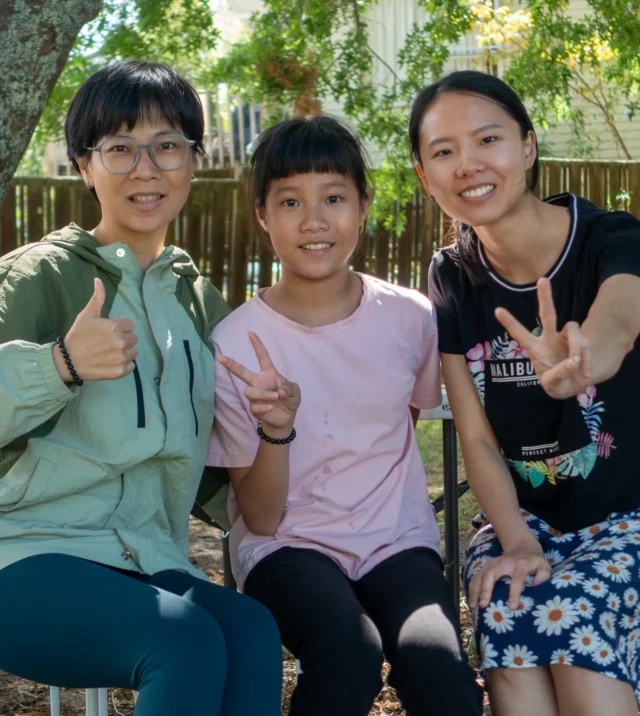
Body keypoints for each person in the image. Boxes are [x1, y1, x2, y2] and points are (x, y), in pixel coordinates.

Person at [0, 60, 281, 716]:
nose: (146, 169)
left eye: (167, 147)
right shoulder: (34, 278)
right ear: (83, 166)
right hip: (25, 552)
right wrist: (61, 363)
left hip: (148, 556)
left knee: (250, 631)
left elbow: (222, 473)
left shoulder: (198, 301)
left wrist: (275, 422)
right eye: (120, 148)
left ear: (194, 161)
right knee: (183, 641)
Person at [207, 115, 483, 716]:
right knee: (347, 650)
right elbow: (260, 515)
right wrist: (277, 429)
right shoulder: (235, 343)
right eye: (290, 201)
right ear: (262, 215)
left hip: (396, 541)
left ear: (362, 206)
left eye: (333, 197)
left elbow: (399, 421)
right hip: (288, 547)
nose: (314, 220)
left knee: (442, 675)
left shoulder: (411, 318)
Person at [410, 69, 640, 716]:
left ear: (529, 146)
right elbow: (477, 436)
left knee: (572, 627)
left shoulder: (609, 238)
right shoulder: (452, 276)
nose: (469, 165)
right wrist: (513, 537)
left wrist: (585, 359)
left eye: (489, 139)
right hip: (523, 520)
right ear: (426, 178)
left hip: (628, 519)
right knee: (506, 613)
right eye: (444, 152)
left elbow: (622, 316)